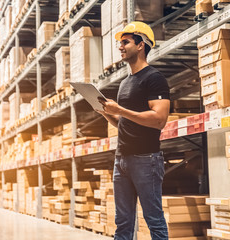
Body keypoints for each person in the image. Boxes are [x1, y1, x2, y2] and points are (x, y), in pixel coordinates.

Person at [97, 21, 170, 239]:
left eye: (125, 42)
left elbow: (159, 119)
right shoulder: (125, 83)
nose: (120, 46)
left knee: (153, 219)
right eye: (120, 42)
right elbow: (124, 123)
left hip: (146, 159)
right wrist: (107, 113)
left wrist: (119, 109)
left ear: (140, 45)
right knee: (123, 222)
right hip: (122, 160)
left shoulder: (154, 78)